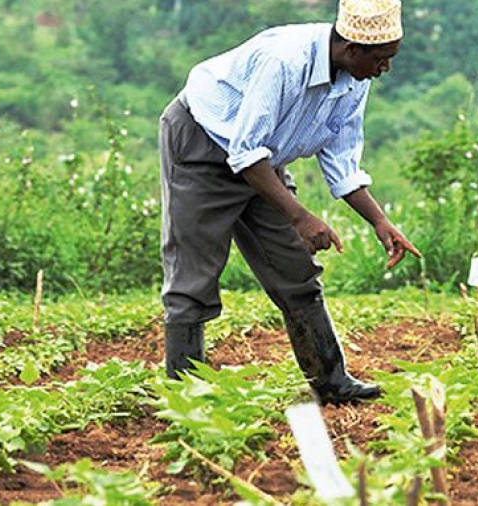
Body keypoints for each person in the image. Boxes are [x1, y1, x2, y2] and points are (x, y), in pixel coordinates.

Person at [158, 0, 420, 404]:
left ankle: (332, 382)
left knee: (295, 269)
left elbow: (342, 161)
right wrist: (300, 216)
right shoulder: (283, 60)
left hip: (263, 159)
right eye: (382, 59)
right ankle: (184, 397)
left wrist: (380, 222)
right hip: (203, 146)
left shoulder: (354, 80)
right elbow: (245, 151)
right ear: (352, 49)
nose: (386, 68)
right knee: (194, 274)